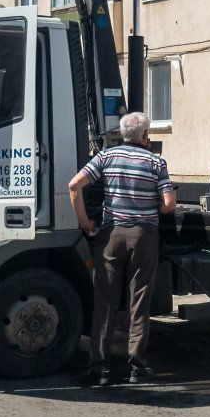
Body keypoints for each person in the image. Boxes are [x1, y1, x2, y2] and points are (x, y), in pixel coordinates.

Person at [68, 112, 176, 386]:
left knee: (104, 301)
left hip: (110, 234)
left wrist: (84, 221)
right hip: (143, 236)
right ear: (144, 136)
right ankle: (136, 367)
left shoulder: (106, 157)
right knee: (138, 301)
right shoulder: (155, 162)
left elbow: (74, 185)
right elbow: (168, 205)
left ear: (122, 134)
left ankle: (101, 367)